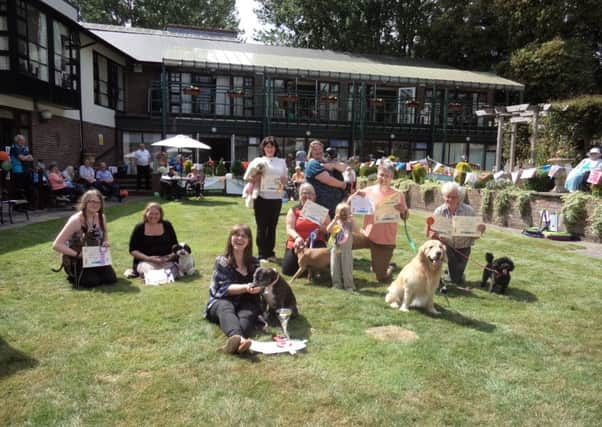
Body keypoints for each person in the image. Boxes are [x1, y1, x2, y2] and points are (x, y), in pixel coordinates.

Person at [204, 224, 262, 354]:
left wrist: (259, 289)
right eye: (236, 235)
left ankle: (236, 342)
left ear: (249, 241)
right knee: (226, 307)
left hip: (246, 302)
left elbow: (261, 284)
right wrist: (246, 287)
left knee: (247, 314)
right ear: (230, 238)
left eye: (244, 236)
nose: (239, 239)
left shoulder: (254, 262)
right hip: (222, 301)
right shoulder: (222, 261)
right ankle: (241, 340)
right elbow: (223, 288)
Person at [351, 160, 409, 282]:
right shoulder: (367, 191)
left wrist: (403, 210)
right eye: (381, 175)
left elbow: (405, 217)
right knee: (342, 241)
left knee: (381, 277)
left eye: (387, 176)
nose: (383, 178)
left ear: (392, 177)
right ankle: (335, 268)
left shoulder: (398, 195)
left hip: (385, 240)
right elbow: (349, 206)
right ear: (377, 174)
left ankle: (388, 268)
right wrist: (353, 197)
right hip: (366, 235)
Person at [52, 190, 117, 287]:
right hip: (76, 258)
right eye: (92, 201)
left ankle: (92, 272)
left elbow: (105, 235)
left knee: (110, 279)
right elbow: (57, 245)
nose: (95, 204)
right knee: (91, 282)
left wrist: (105, 242)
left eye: (98, 202)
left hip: (95, 256)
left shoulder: (101, 217)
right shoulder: (76, 220)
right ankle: (73, 274)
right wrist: (78, 254)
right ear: (85, 202)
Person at [428, 181, 486, 285]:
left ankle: (451, 273)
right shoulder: (438, 212)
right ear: (443, 196)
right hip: (447, 246)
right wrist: (433, 235)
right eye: (448, 196)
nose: (450, 199)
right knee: (455, 278)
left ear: (459, 197)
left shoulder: (468, 211)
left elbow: (475, 235)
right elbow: (431, 232)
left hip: (464, 247)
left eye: (454, 197)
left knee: (456, 278)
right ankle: (452, 273)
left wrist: (480, 230)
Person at [243, 136, 288, 261]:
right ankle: (262, 253)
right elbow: (249, 178)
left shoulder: (281, 162)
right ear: (263, 148)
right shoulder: (258, 161)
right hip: (262, 197)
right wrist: (257, 176)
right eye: (267, 146)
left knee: (272, 226)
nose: (270, 149)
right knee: (262, 226)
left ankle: (270, 252)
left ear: (275, 148)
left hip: (276, 197)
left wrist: (285, 180)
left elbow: (285, 179)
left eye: (272, 146)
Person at [281, 183, 330, 276]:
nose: (307, 195)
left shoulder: (320, 211)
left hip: (316, 242)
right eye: (304, 193)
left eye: (310, 193)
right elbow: (289, 228)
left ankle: (312, 268)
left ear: (314, 196)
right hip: (297, 243)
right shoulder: (294, 210)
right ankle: (308, 268)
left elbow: (329, 229)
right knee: (287, 271)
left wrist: (322, 227)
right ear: (299, 196)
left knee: (319, 267)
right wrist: (297, 237)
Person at [128, 202, 179, 278]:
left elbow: (175, 246)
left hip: (166, 261)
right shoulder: (139, 227)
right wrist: (148, 258)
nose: (153, 216)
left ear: (161, 214)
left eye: (156, 214)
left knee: (174, 270)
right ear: (146, 213)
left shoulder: (167, 225)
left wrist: (168, 257)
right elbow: (133, 250)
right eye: (151, 213)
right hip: (146, 261)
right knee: (150, 271)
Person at [304, 140, 347, 218]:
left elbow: (344, 167)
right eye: (315, 149)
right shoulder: (312, 163)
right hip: (318, 207)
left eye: (319, 149)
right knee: (319, 229)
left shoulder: (326, 162)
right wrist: (342, 184)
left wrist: (333, 165)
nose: (318, 151)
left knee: (332, 229)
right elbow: (327, 179)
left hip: (329, 208)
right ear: (311, 152)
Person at [327, 202, 356, 292]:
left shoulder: (349, 224)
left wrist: (352, 220)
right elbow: (328, 229)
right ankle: (337, 284)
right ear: (337, 213)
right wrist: (334, 220)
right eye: (341, 212)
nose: (343, 214)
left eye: (345, 212)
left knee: (347, 268)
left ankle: (349, 285)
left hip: (346, 249)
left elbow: (356, 230)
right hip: (335, 248)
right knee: (335, 267)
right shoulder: (335, 222)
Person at [9, 134, 34, 200]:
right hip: (18, 170)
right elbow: (21, 158)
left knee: (28, 187)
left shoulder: (24, 148)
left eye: (24, 140)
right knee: (19, 188)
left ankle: (27, 203)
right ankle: (19, 205)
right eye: (22, 140)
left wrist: (25, 157)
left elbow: (31, 158)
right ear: (18, 141)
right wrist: (26, 157)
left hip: (26, 170)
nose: (24, 142)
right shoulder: (14, 147)